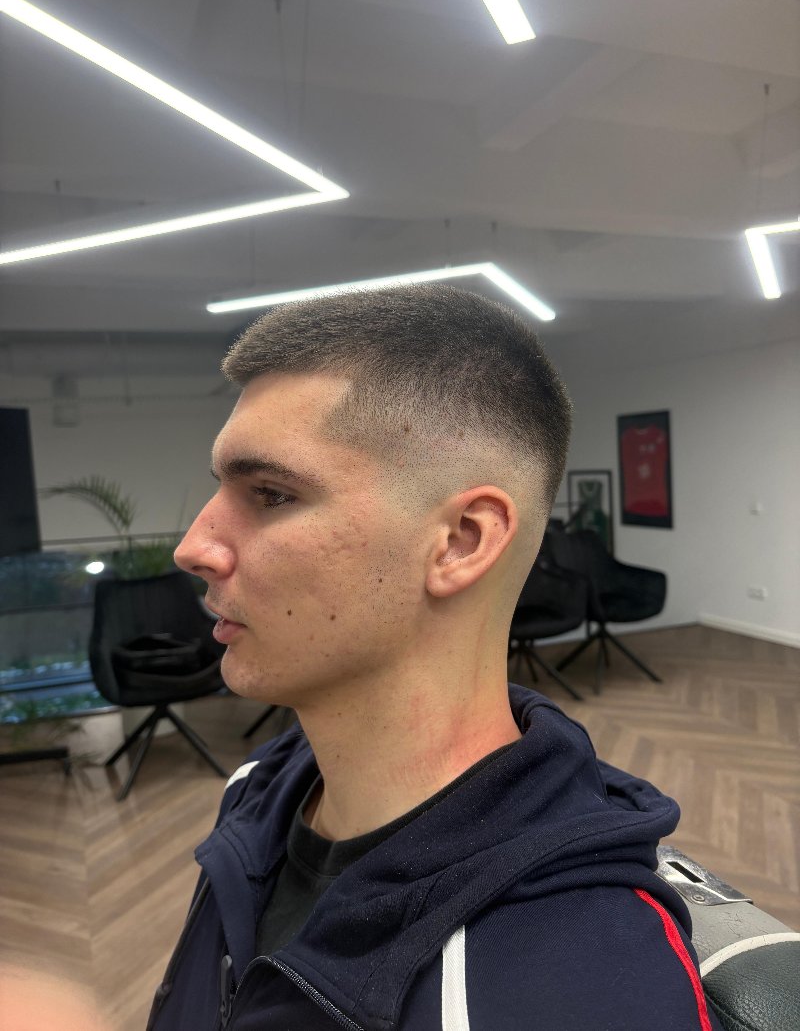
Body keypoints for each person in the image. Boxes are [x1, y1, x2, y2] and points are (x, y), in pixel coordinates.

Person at [148, 285, 720, 1030]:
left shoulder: (590, 988)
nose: (193, 547)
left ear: (460, 542)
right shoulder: (258, 788)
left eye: (271, 494)